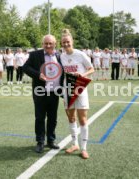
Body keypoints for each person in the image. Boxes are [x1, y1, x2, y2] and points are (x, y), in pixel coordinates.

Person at [23, 34, 63, 153]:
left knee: (53, 117)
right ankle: (40, 142)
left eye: (51, 43)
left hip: (54, 92)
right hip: (40, 91)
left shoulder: (59, 56)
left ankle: (51, 140)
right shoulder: (35, 55)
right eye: (46, 43)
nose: (48, 45)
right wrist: (38, 75)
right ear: (42, 44)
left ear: (55, 44)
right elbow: (25, 67)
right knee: (40, 117)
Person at [60, 29, 94, 159]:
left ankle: (84, 148)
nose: (66, 44)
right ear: (61, 43)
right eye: (63, 42)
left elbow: (92, 69)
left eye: (68, 42)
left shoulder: (80, 54)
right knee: (71, 118)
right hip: (67, 88)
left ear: (72, 41)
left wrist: (82, 75)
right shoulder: (61, 56)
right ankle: (75, 144)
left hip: (80, 87)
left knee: (83, 119)